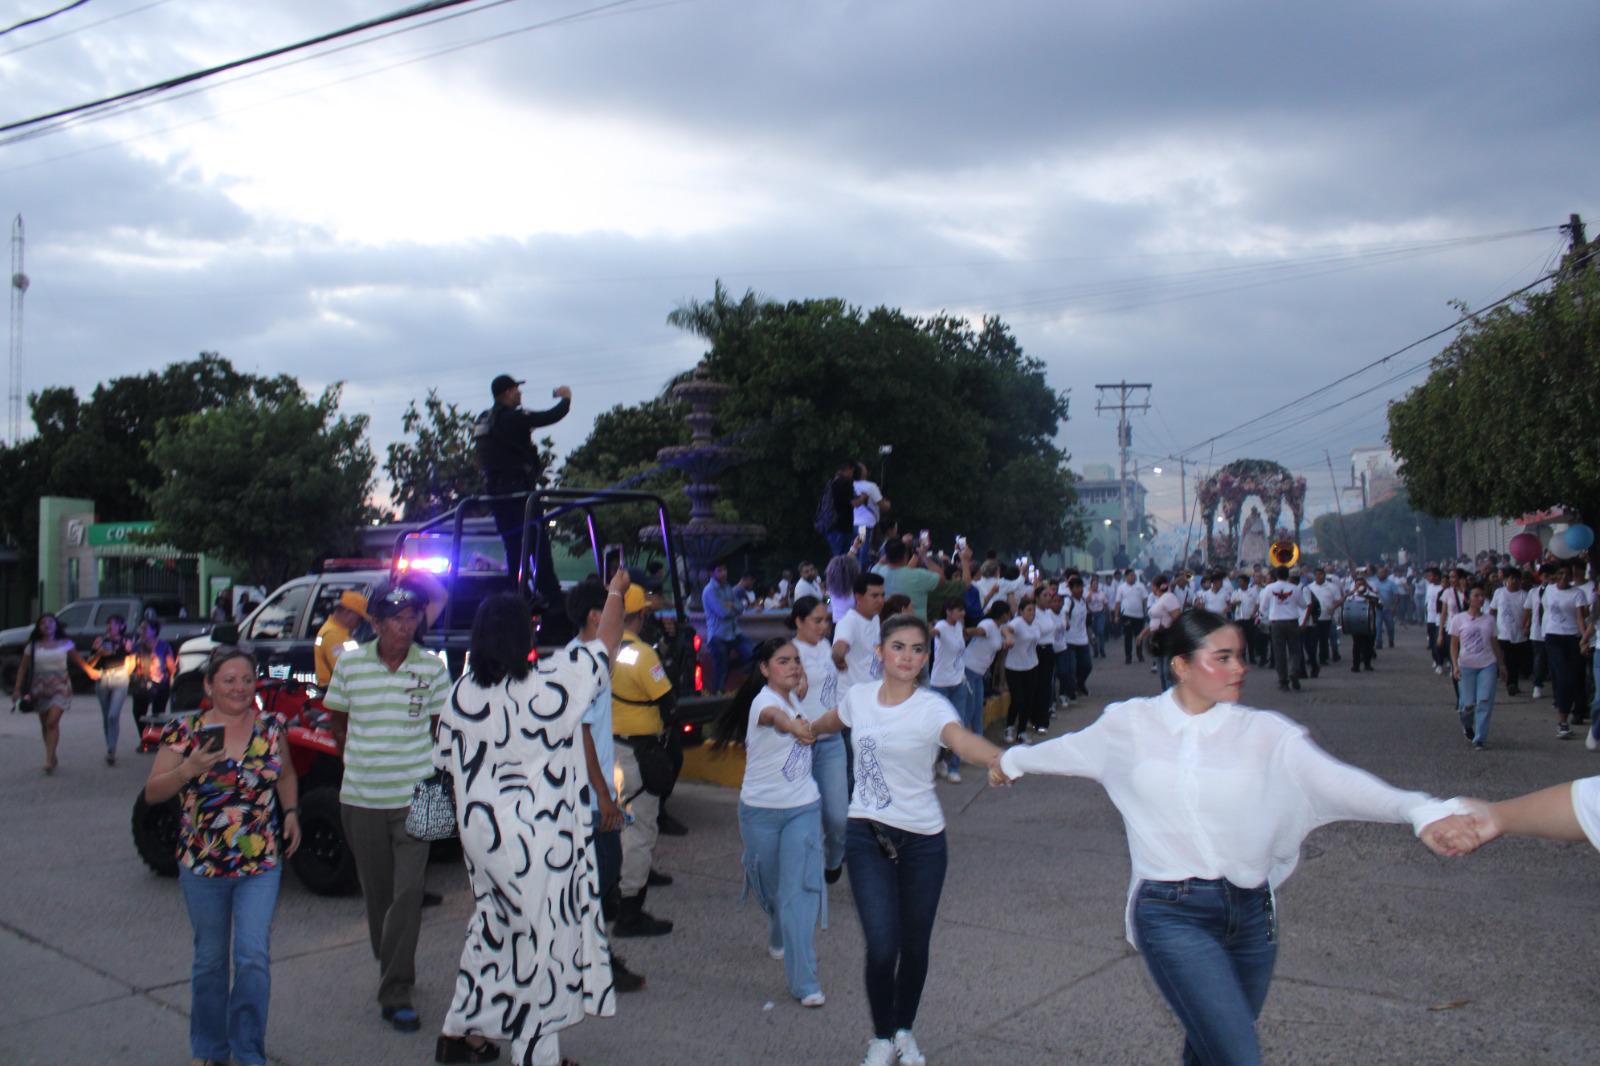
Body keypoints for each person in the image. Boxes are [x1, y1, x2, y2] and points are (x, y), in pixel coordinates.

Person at [992, 610, 1465, 1066]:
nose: (1240, 667)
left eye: (1239, 655)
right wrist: (1011, 762)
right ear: (1180, 665)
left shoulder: (1266, 733)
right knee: (1237, 1053)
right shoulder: (1129, 724)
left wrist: (1416, 808)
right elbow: (1069, 749)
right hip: (1170, 911)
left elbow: (1339, 782)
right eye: (1222, 658)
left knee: (1213, 1044)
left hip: (1255, 916)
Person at [433, 582, 624, 1066]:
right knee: (544, 945)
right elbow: (604, 647)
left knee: (495, 930)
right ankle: (535, 1054)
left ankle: (460, 1033)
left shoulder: (460, 694)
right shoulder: (548, 689)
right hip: (537, 840)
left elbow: (442, 765)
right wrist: (617, 592)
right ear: (525, 634)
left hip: (482, 839)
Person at [807, 614, 1005, 1066]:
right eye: (898, 647)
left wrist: (998, 758)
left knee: (915, 945)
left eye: (917, 649)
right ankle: (880, 1037)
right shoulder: (859, 698)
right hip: (867, 834)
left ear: (926, 658)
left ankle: (902, 1031)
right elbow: (833, 720)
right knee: (882, 945)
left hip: (923, 841)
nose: (908, 657)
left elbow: (960, 741)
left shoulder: (933, 708)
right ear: (879, 652)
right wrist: (807, 729)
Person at [143, 646, 301, 1066]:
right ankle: (210, 1049)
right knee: (211, 961)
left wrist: (291, 813)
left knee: (252, 959)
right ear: (209, 685)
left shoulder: (270, 727)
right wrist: (188, 768)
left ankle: (249, 1051)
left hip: (260, 864)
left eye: (247, 680)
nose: (239, 688)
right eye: (228, 680)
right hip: (202, 864)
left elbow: (285, 774)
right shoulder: (186, 731)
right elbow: (153, 791)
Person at [322, 577, 451, 1034]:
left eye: (411, 616)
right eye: (395, 618)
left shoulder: (433, 668)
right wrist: (354, 756)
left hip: (422, 794)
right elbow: (336, 718)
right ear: (374, 622)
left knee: (409, 894)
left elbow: (442, 729)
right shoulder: (351, 667)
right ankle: (393, 961)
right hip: (362, 796)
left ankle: (395, 990)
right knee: (377, 896)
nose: (405, 624)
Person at [711, 638, 829, 1009]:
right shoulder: (764, 702)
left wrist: (802, 691)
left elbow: (802, 695)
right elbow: (775, 719)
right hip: (759, 812)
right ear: (764, 669)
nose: (793, 666)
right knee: (773, 890)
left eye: (796, 660)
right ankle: (778, 923)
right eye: (783, 661)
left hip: (803, 809)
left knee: (799, 894)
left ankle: (804, 981)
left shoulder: (797, 694)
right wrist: (793, 727)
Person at [565, 580, 646, 996]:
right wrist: (602, 795)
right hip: (587, 795)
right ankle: (592, 963)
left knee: (596, 879)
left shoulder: (578, 657)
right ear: (596, 617)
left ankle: (586, 958)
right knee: (599, 876)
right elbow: (580, 735)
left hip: (587, 791)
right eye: (614, 611)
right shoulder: (584, 663)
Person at [611, 584, 679, 938]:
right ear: (641, 615)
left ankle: (612, 894)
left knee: (615, 829)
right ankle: (629, 913)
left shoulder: (600, 648)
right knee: (639, 831)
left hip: (607, 749)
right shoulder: (640, 654)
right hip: (638, 752)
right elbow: (667, 700)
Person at [476, 374, 571, 609]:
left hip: (498, 497)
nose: (520, 393)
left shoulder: (485, 419)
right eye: (517, 389)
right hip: (520, 496)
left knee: (514, 550)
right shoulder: (511, 418)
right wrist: (565, 399)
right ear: (507, 392)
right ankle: (554, 606)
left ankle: (518, 599)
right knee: (538, 550)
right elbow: (550, 416)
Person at [790, 595, 849, 882]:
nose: (824, 626)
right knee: (803, 817)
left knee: (838, 817)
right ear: (799, 622)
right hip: (799, 747)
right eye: (817, 620)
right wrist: (795, 681)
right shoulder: (789, 653)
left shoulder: (826, 647)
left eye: (826, 620)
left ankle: (834, 859)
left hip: (832, 743)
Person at [11, 612, 99, 773]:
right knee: (45, 724)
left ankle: (48, 761)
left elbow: (79, 661)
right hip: (39, 687)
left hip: (61, 686)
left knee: (52, 722)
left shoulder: (65, 643)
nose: (47, 625)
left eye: (51, 622)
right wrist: (17, 688)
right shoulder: (33, 646)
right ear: (39, 627)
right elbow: (23, 668)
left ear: (56, 625)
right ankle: (51, 754)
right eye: (43, 623)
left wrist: (91, 672)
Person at [1449, 583, 1503, 751]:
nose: (1480, 599)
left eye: (1482, 596)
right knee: (1467, 705)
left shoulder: (1490, 620)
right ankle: (1467, 725)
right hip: (1466, 665)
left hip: (1487, 664)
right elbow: (1454, 645)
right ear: (1468, 598)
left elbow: (1495, 644)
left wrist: (1502, 665)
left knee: (1484, 700)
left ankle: (1480, 738)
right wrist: (1455, 666)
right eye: (1476, 595)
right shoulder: (1459, 619)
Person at [1539, 563, 1589, 739]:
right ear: (1555, 575)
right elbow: (1545, 612)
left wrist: (1584, 639)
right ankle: (1562, 722)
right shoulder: (1549, 590)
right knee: (1563, 677)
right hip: (1553, 637)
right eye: (1560, 573)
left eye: (1568, 574)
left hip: (1572, 638)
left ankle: (1570, 713)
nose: (1564, 577)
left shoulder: (1578, 593)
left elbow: (1580, 618)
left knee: (1574, 677)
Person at [930, 597, 970, 780]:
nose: (962, 613)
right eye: (958, 609)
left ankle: (954, 767)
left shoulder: (959, 626)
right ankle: (937, 761)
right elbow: (935, 632)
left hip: (958, 681)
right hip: (940, 684)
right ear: (948, 611)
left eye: (962, 610)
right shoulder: (941, 627)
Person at [703, 563, 756, 695]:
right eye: (719, 570)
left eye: (725, 569)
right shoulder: (709, 591)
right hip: (718, 635)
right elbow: (723, 613)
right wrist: (733, 608)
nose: (724, 573)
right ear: (711, 573)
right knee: (720, 672)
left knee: (752, 654)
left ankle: (732, 667)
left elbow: (740, 608)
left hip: (734, 633)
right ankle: (717, 696)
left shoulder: (727, 587)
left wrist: (731, 605)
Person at [90, 614, 134, 765]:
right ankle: (111, 748)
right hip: (103, 677)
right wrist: (98, 652)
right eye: (109, 624)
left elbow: (131, 660)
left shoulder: (127, 642)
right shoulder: (100, 641)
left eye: (115, 624)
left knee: (113, 715)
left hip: (120, 676)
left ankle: (111, 748)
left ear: (122, 626)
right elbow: (91, 662)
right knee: (106, 715)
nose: (111, 627)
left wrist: (126, 674)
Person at [834, 572, 887, 692]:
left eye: (882, 595)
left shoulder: (875, 618)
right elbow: (839, 648)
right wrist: (838, 657)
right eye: (874, 596)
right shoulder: (849, 621)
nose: (881, 601)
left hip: (874, 691)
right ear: (858, 597)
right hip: (854, 696)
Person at [1261, 566, 1306, 692]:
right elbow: (1303, 604)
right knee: (1295, 650)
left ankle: (1283, 681)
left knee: (1279, 653)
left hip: (1276, 622)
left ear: (1276, 575)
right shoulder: (1295, 588)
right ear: (1288, 576)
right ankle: (1294, 671)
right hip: (1292, 621)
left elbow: (1263, 608)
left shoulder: (1269, 588)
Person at [313, 591, 369, 689]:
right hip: (336, 693)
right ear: (348, 613)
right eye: (359, 618)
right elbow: (346, 671)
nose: (360, 622)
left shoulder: (340, 632)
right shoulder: (332, 635)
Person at [130, 618, 177, 734]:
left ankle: (156, 739)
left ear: (154, 631)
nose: (142, 631)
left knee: (158, 713)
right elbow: (130, 666)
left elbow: (171, 666)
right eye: (141, 628)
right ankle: (144, 738)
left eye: (145, 628)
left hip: (161, 684)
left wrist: (174, 681)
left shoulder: (163, 645)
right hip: (142, 684)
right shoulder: (137, 646)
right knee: (138, 712)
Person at [1488, 568, 1530, 697]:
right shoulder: (1499, 593)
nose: (1514, 581)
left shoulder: (1524, 595)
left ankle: (1514, 683)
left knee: (1516, 661)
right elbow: (1492, 611)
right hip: (1503, 632)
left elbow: (1528, 613)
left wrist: (1526, 626)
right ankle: (1510, 683)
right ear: (1506, 580)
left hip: (1518, 633)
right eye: (1512, 578)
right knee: (1507, 658)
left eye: (1517, 579)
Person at [1143, 575, 1182, 692]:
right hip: (1158, 638)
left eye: (1153, 586)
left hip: (1167, 638)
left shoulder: (1169, 597)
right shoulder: (1159, 599)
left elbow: (1177, 617)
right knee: (1161, 672)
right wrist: (1143, 633)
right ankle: (1165, 694)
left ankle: (1171, 696)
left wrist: (1169, 629)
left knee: (1167, 671)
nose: (1152, 589)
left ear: (1157, 586)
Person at [1114, 570, 1148, 664]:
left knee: (1139, 636)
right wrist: (1116, 616)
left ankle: (1139, 654)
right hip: (1126, 615)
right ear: (1126, 577)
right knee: (1127, 636)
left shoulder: (1140, 586)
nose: (1133, 577)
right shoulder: (1121, 588)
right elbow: (1118, 603)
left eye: (1134, 575)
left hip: (1139, 616)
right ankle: (1128, 656)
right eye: (1131, 576)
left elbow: (1145, 600)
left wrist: (1146, 611)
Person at [1087, 575, 1109, 658]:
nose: (1095, 586)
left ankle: (1102, 649)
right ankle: (1095, 649)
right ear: (1091, 585)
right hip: (1091, 615)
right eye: (1093, 584)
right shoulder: (1088, 593)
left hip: (1100, 614)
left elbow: (1105, 603)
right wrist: (1090, 592)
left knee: (1101, 631)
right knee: (1093, 634)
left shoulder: (1101, 593)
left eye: (1096, 584)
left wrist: (1107, 613)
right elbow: (1087, 601)